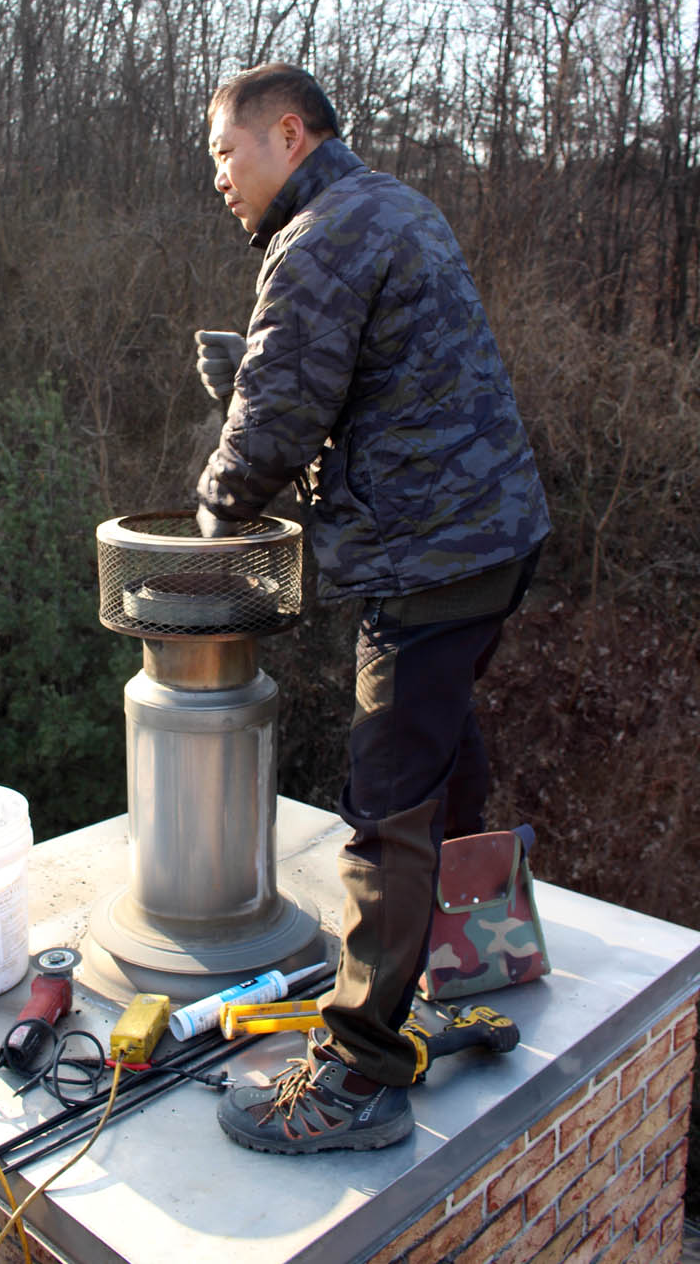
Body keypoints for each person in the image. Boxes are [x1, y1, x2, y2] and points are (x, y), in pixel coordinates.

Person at [194, 63, 550, 1154]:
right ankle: (458, 963)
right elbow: (363, 373)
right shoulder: (390, 202)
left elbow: (278, 423)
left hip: (429, 559)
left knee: (386, 801)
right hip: (496, 538)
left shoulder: (318, 239)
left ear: (288, 135)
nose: (218, 178)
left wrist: (213, 513)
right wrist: (249, 368)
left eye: (225, 152)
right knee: (445, 758)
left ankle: (357, 1073)